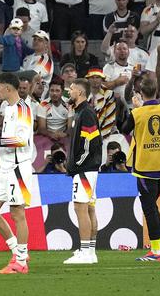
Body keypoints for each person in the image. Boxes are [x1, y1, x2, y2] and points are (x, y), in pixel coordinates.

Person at [0, 72, 35, 274]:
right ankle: (18, 250)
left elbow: (21, 140)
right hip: (5, 167)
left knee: (17, 212)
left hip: (18, 167)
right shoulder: (8, 108)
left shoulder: (22, 109)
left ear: (8, 88)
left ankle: (20, 262)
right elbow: (11, 138)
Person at [122, 75, 160, 262]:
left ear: (141, 93)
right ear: (157, 91)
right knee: (153, 206)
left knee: (149, 208)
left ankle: (155, 251)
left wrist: (137, 109)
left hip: (145, 167)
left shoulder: (138, 113)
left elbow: (124, 130)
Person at [63, 79, 101, 265]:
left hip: (85, 169)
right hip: (88, 169)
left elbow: (90, 143)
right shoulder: (81, 112)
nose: (69, 92)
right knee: (89, 208)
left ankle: (85, 252)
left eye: (71, 89)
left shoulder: (86, 113)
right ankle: (91, 251)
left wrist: (77, 164)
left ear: (79, 92)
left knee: (80, 208)